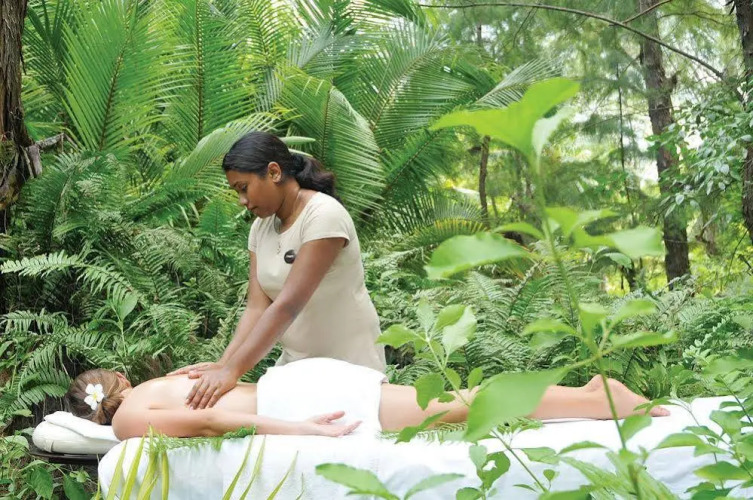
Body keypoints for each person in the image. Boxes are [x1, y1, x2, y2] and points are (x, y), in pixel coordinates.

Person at [169, 131, 386, 410]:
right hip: (298, 368)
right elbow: (256, 309)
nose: (242, 200)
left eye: (244, 188)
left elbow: (288, 304)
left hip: (350, 365)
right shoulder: (260, 229)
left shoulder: (323, 215)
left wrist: (232, 371)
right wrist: (222, 365)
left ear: (273, 172)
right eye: (237, 192)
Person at [66, 359, 669, 441]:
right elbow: (213, 405)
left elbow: (213, 420)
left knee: (459, 405)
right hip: (297, 381)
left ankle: (599, 400)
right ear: (117, 378)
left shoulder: (129, 421)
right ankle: (589, 395)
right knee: (456, 402)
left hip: (302, 396)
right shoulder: (159, 383)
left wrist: (304, 429)